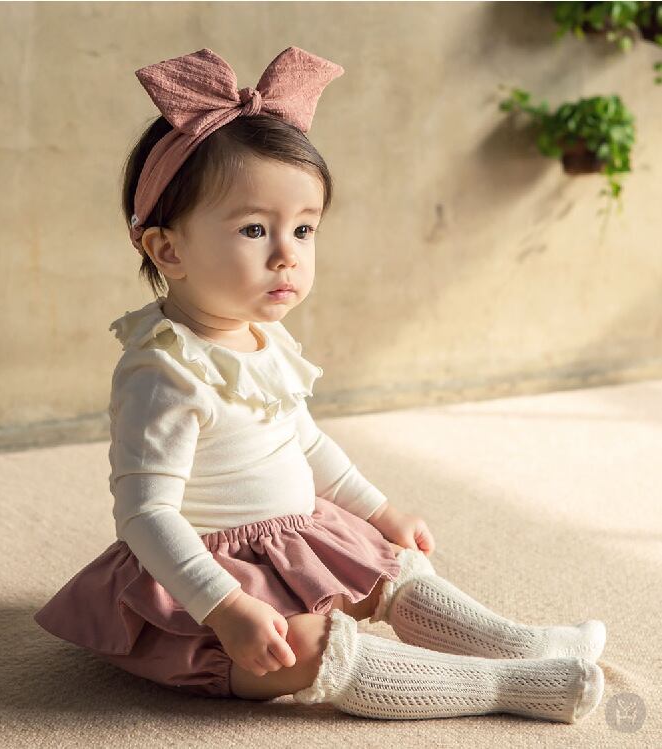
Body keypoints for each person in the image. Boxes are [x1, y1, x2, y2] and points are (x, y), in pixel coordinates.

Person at [34, 46, 607, 723]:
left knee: (394, 567)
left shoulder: (263, 338)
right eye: (254, 229)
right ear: (168, 249)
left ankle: (524, 645)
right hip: (202, 584)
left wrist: (381, 511)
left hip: (292, 543)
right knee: (306, 649)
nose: (288, 255)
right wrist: (227, 607)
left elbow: (305, 443)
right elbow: (147, 516)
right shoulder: (163, 372)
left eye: (304, 229)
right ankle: (507, 686)